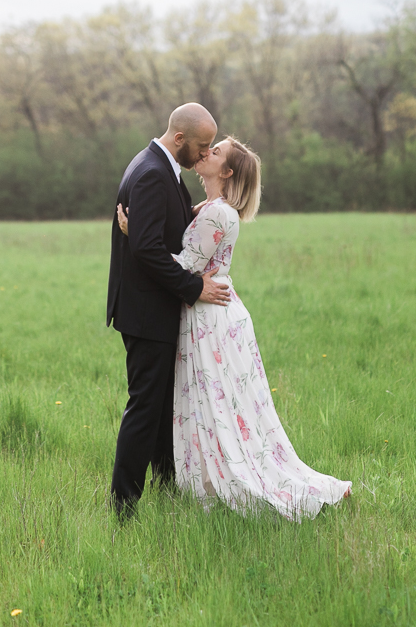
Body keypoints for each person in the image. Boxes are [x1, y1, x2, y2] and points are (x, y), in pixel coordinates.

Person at [117, 136, 351, 521]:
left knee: (216, 401)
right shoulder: (209, 208)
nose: (206, 152)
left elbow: (187, 266)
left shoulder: (216, 213)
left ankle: (227, 476)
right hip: (210, 309)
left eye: (216, 151)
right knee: (211, 401)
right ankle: (187, 475)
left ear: (226, 172)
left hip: (208, 315)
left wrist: (134, 235)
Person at [106, 103, 232, 519]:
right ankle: (123, 506)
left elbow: (159, 236)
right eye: (202, 145)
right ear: (180, 139)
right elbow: (146, 248)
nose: (204, 154)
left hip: (151, 308)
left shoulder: (159, 169)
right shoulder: (151, 174)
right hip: (147, 312)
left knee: (161, 408)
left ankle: (168, 487)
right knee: (145, 408)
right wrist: (195, 287)